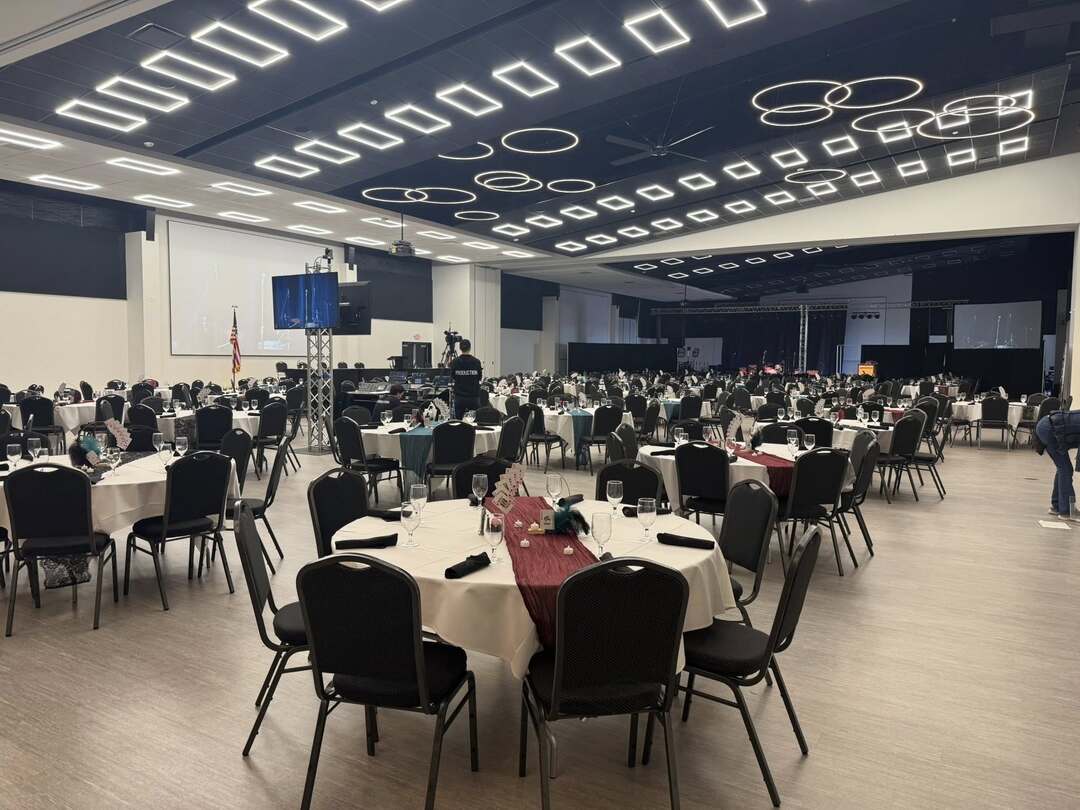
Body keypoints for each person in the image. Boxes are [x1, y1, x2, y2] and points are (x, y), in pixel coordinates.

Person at [1034, 409, 1080, 519]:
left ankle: (1057, 506)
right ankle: (1067, 511)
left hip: (1047, 426)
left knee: (1063, 468)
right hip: (1050, 429)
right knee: (1066, 470)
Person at [449, 338, 482, 419]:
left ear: (460, 348)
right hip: (473, 397)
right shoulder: (476, 362)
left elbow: (453, 376)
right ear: (470, 348)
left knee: (459, 422)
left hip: (460, 397)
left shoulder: (455, 362)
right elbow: (479, 377)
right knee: (475, 421)